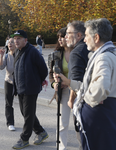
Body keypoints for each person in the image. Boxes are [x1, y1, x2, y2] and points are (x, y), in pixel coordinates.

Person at [54, 18, 116, 150]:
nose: (85, 39)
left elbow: (100, 88)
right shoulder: (110, 53)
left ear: (97, 37)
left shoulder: (102, 57)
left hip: (99, 116)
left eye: (87, 36)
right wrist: (69, 82)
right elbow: (92, 86)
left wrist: (86, 100)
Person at [11, 30, 49, 149]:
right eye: (15, 38)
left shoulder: (33, 52)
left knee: (28, 114)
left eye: (19, 38)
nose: (16, 41)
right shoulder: (18, 51)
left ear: (25, 40)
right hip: (21, 88)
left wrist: (37, 81)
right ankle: (41, 132)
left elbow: (44, 69)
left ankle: (24, 138)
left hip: (30, 88)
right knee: (26, 113)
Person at [59, 20, 89, 150]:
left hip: (82, 101)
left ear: (78, 35)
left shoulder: (76, 52)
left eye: (68, 33)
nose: (65, 36)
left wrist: (71, 100)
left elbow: (76, 82)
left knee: (83, 138)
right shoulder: (88, 48)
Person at [49, 27, 73, 150]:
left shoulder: (78, 53)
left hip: (78, 90)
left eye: (62, 36)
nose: (60, 39)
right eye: (58, 37)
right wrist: (54, 84)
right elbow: (50, 75)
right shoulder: (56, 55)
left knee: (79, 122)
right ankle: (61, 148)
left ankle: (83, 146)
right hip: (63, 92)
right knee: (63, 122)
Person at [0, 38, 16, 131]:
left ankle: (31, 123)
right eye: (9, 42)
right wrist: (1, 56)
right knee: (8, 103)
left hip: (19, 82)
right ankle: (10, 123)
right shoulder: (6, 56)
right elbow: (1, 67)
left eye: (12, 42)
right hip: (9, 81)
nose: (10, 44)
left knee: (24, 104)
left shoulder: (19, 55)